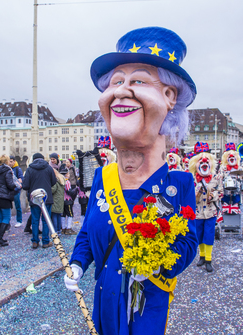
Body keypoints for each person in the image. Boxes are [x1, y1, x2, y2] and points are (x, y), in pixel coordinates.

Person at [64, 26, 198, 334]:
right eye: (116, 82)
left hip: (148, 301)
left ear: (169, 97)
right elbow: (87, 231)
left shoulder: (180, 184)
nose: (121, 91)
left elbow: (189, 244)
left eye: (138, 80)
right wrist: (78, 263)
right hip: (104, 296)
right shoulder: (103, 177)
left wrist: (159, 263)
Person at [189, 143, 223, 272]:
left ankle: (208, 259)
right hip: (197, 212)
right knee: (198, 234)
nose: (204, 162)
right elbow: (188, 195)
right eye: (200, 160)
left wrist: (213, 196)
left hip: (210, 212)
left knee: (209, 234)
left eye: (207, 160)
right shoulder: (191, 178)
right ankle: (201, 256)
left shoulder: (216, 177)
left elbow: (221, 192)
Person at [22, 153, 57, 249]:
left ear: (33, 159)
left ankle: (35, 241)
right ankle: (45, 241)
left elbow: (25, 185)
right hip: (46, 197)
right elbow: (54, 182)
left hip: (34, 198)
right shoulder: (49, 168)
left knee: (35, 220)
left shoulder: (30, 169)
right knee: (46, 220)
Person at [0, 155, 17, 247]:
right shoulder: (8, 171)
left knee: (0, 217)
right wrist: (16, 184)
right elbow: (10, 185)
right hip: (4, 197)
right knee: (6, 217)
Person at [9, 156, 24, 228]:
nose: (10, 163)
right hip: (9, 190)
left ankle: (19, 220)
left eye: (11, 161)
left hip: (16, 190)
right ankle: (8, 221)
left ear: (14, 161)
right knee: (8, 206)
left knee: (18, 206)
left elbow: (21, 179)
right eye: (9, 161)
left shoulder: (18, 169)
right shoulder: (8, 168)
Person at [51, 169, 65, 235]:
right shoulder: (61, 179)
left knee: (54, 216)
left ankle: (55, 231)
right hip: (60, 200)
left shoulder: (56, 180)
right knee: (58, 215)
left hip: (55, 200)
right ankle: (59, 230)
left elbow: (53, 190)